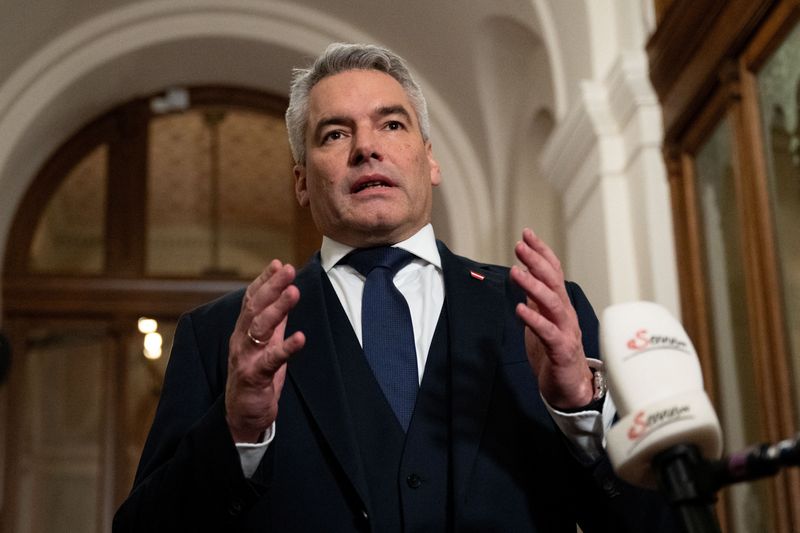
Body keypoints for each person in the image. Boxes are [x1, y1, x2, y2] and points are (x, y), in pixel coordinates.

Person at [114, 43, 678, 532]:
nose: (366, 148)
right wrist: (235, 432)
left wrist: (579, 409)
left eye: (392, 124)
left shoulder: (537, 311)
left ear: (430, 159)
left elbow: (659, 524)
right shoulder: (221, 337)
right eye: (335, 133)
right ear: (301, 182)